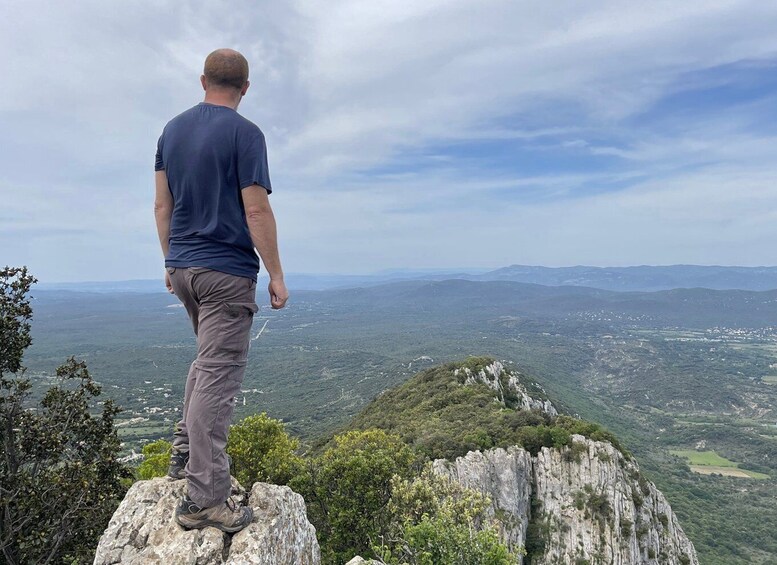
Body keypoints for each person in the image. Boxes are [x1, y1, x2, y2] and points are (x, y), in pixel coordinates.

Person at [153, 48, 289, 533]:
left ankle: (186, 453)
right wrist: (275, 274)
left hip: (185, 268)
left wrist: (171, 261)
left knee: (205, 363)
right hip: (226, 272)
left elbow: (161, 207)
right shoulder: (246, 134)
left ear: (203, 79)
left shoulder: (171, 131)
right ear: (245, 88)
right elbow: (256, 211)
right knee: (219, 374)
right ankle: (204, 498)